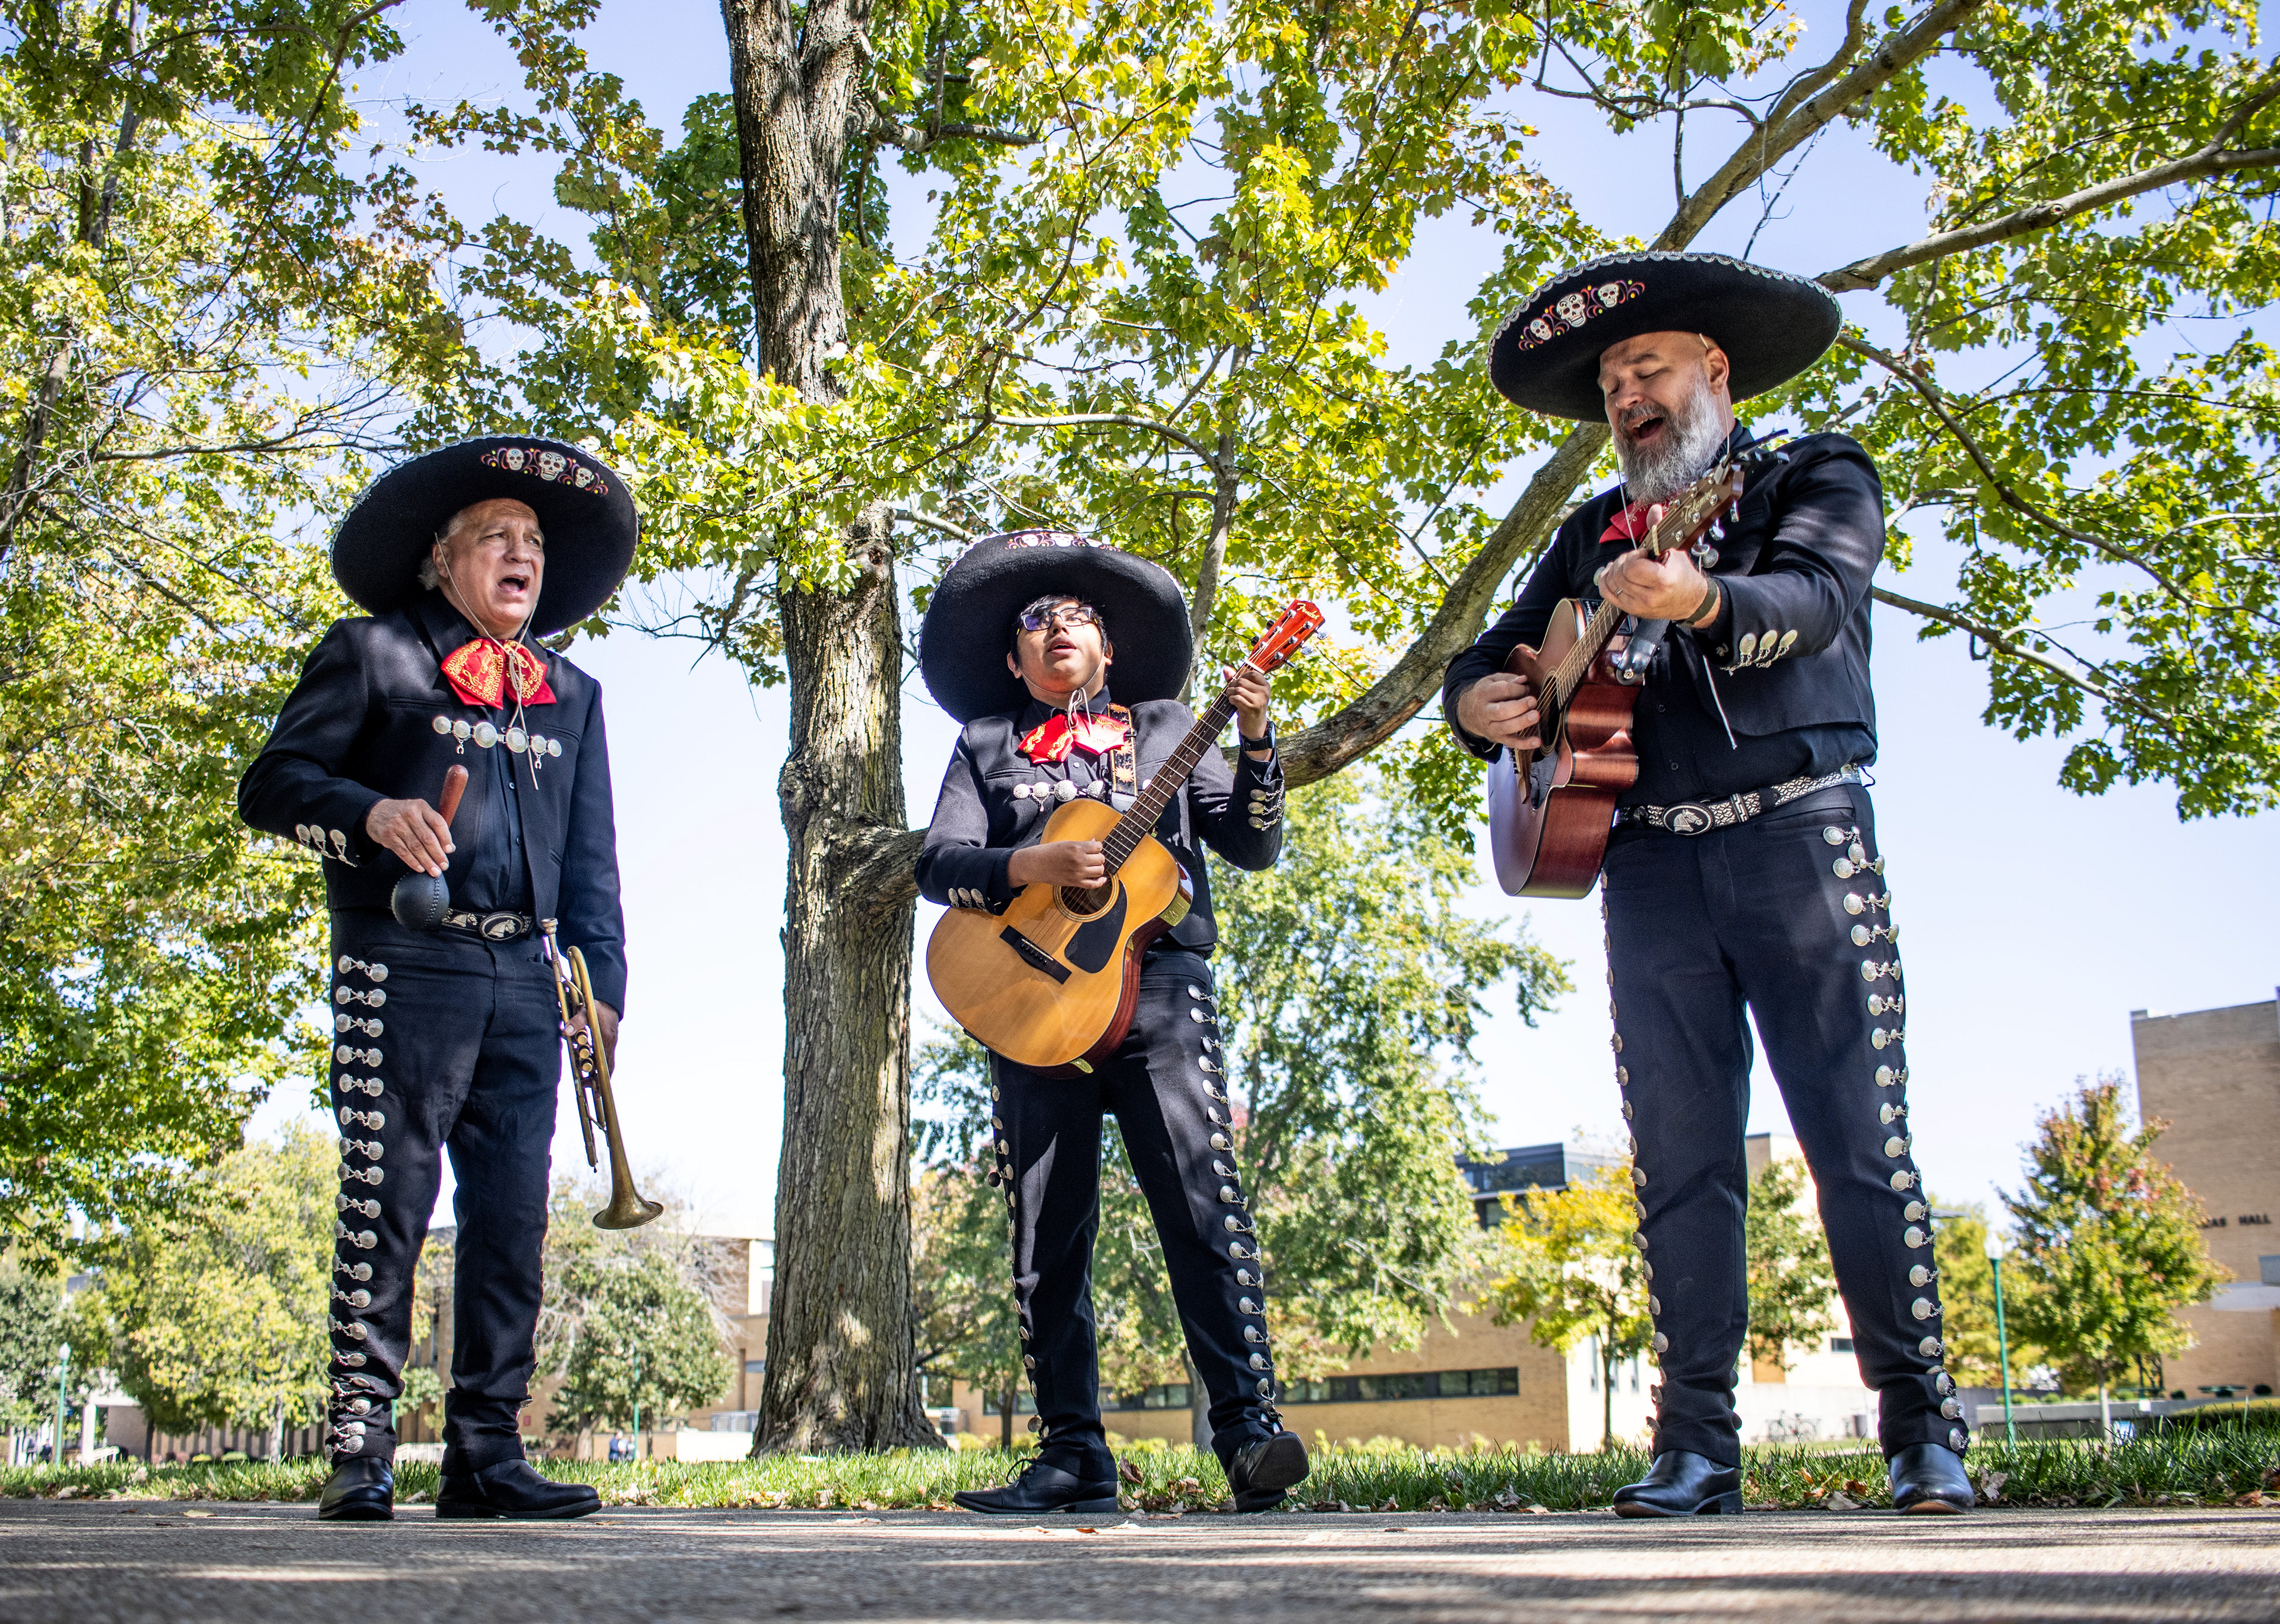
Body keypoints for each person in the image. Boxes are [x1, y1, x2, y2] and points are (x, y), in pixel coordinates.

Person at [1443, 252, 1975, 1517]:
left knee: (1858, 1142)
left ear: (1715, 373)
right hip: (1650, 867)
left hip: (1802, 838)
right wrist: (1477, 703)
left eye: (1651, 367)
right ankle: (1695, 1446)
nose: (1630, 393)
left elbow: (1819, 599)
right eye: (1615, 379)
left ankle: (1922, 1431)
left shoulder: (1813, 472)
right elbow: (1490, 657)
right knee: (1679, 1160)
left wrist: (1702, 599)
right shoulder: (1590, 535)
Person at [240, 437, 638, 1522]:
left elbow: (592, 862)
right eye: (497, 539)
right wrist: (369, 812)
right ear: (439, 562)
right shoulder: (374, 654)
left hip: (528, 972)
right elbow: (271, 783)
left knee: (513, 1217)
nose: (523, 557)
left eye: (535, 543)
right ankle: (361, 1450)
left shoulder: (575, 693)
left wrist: (604, 989)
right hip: (402, 958)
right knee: (389, 1201)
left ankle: (486, 1455)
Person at [916, 531, 1310, 1515]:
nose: (1059, 629)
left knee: (1201, 1203)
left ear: (1110, 649)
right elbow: (937, 866)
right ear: (1013, 662)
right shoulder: (986, 744)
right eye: (1036, 622)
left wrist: (1257, 739)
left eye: (1079, 618)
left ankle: (1249, 1434)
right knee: (1047, 1236)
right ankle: (1071, 1457)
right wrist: (1029, 868)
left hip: (1159, 989)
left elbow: (1255, 844)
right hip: (1029, 1000)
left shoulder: (1173, 723)